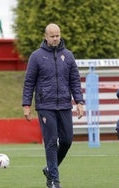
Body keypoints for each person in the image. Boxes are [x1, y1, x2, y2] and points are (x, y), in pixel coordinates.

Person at [22, 23, 84, 188]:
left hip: (64, 104)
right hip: (45, 106)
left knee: (67, 140)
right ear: (46, 36)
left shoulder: (68, 56)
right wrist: (26, 104)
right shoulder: (36, 56)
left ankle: (50, 169)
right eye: (52, 36)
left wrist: (79, 101)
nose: (55, 38)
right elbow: (29, 82)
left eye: (57, 35)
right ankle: (54, 181)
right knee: (51, 142)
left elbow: (74, 81)